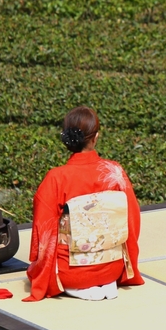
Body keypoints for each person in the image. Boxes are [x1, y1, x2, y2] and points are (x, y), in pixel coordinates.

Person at [24, 106, 144, 302]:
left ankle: (79, 286)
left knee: (32, 272)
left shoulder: (56, 177)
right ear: (95, 137)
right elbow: (131, 220)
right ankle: (101, 282)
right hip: (112, 266)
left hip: (70, 271)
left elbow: (43, 232)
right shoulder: (114, 171)